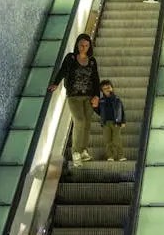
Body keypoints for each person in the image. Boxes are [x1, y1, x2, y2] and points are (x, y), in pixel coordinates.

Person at [48, 33, 100, 164]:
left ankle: (83, 150)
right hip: (74, 96)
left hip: (89, 96)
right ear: (77, 45)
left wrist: (97, 96)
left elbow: (96, 79)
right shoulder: (71, 58)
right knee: (79, 120)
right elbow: (63, 70)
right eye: (81, 45)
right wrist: (56, 83)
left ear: (89, 46)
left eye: (86, 45)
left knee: (87, 123)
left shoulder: (92, 61)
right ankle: (75, 152)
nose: (84, 47)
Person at [97, 79, 126, 162]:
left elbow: (122, 110)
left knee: (117, 140)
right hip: (105, 123)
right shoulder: (101, 101)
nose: (107, 90)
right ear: (102, 91)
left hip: (116, 122)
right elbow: (99, 111)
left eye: (108, 87)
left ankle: (120, 155)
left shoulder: (117, 99)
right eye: (105, 89)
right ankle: (110, 155)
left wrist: (123, 121)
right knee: (107, 140)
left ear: (112, 88)